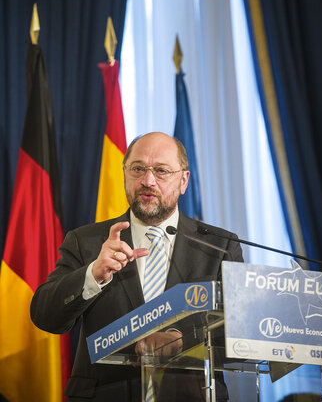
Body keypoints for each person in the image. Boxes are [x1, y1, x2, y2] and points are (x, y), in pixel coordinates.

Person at [30, 132, 243, 401]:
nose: (148, 181)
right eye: (138, 169)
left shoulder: (218, 245)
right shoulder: (87, 241)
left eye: (161, 171)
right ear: (125, 174)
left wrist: (182, 338)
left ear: (183, 180)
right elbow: (45, 316)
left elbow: (239, 332)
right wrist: (93, 274)